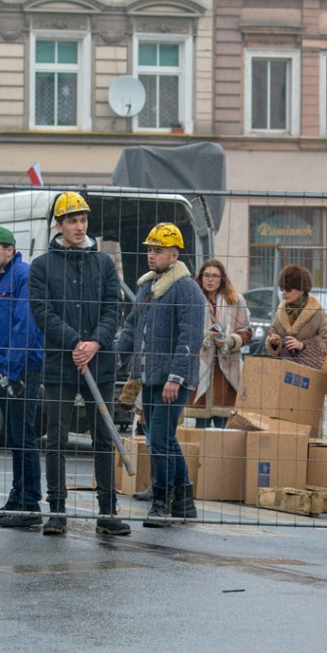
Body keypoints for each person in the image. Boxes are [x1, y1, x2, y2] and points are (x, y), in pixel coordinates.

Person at [28, 192, 130, 537]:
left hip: (99, 364)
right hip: (61, 363)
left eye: (83, 220)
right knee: (56, 438)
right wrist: (74, 342)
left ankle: (108, 511)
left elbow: (113, 308)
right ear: (59, 225)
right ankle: (56, 510)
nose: (79, 226)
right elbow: (43, 312)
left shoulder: (103, 263)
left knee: (103, 437)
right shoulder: (42, 266)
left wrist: (95, 342)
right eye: (72, 220)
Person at [120, 222, 205, 527]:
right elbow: (132, 326)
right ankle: (184, 501)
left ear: (174, 255)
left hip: (172, 379)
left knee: (160, 439)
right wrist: (116, 353)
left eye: (158, 250)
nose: (151, 255)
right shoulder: (147, 286)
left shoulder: (186, 289)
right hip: (151, 375)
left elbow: (190, 337)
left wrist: (176, 378)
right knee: (161, 438)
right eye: (150, 250)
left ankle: (162, 502)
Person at [0, 227, 45, 528]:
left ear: (9, 249)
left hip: (22, 370)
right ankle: (17, 497)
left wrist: (13, 372)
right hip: (3, 370)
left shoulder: (23, 276)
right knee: (15, 437)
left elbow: (24, 327)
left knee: (24, 435)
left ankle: (30, 503)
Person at [186, 259, 252, 429]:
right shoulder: (193, 300)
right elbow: (184, 329)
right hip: (201, 364)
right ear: (200, 278)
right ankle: (202, 455)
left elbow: (247, 332)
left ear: (222, 278)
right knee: (201, 423)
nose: (210, 280)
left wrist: (230, 341)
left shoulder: (236, 300)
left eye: (215, 276)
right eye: (206, 275)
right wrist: (206, 336)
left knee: (224, 422)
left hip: (227, 368)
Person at [264, 264, 327, 367]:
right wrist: (275, 342)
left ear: (301, 290)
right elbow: (273, 336)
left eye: (288, 289)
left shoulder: (317, 312)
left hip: (310, 373)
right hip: (284, 371)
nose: (284, 292)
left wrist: (303, 346)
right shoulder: (281, 312)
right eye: (282, 288)